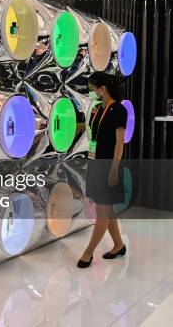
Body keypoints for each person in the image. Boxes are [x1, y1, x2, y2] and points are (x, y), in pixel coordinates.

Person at [78, 72, 128, 268]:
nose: (91, 92)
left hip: (109, 165)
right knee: (107, 209)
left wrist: (115, 167)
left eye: (92, 89)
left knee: (102, 211)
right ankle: (118, 245)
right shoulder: (98, 108)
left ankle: (88, 253)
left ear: (103, 88)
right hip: (96, 162)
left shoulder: (119, 110)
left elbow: (119, 142)